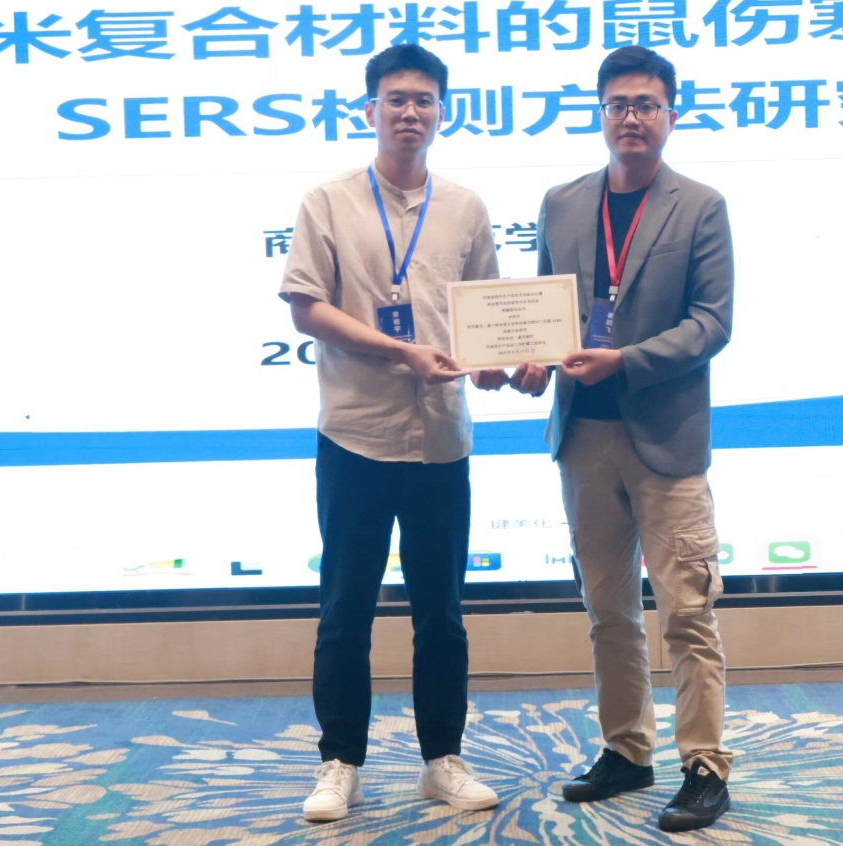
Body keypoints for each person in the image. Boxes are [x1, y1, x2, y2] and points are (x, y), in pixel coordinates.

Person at [279, 44, 549, 823]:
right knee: (345, 610)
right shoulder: (327, 201)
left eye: (423, 100)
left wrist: (505, 366)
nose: (409, 112)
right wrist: (401, 351)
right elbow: (305, 308)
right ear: (369, 110)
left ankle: (442, 761)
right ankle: (340, 763)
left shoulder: (463, 207)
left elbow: (485, 318)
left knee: (441, 613)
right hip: (355, 434)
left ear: (441, 113)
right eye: (395, 99)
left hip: (439, 441)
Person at [536, 45, 735, 833]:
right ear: (599, 113)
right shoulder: (561, 202)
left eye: (646, 105)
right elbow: (543, 311)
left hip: (664, 438)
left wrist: (625, 360)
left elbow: (711, 323)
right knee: (607, 611)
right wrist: (527, 362)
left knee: (687, 611)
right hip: (582, 438)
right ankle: (626, 750)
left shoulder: (700, 205)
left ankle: (704, 766)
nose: (631, 118)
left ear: (670, 115)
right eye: (617, 104)